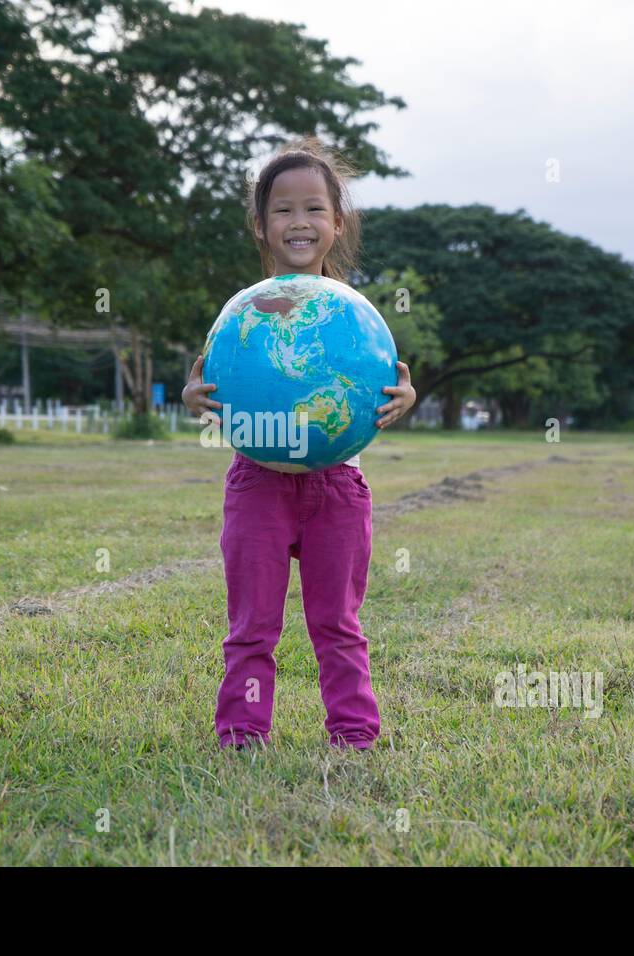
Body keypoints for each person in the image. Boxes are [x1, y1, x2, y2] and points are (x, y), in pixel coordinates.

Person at [181, 137, 417, 751]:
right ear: (260, 225)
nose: (299, 221)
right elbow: (208, 383)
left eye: (314, 208)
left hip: (338, 485)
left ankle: (353, 735)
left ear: (337, 224)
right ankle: (241, 732)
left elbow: (388, 385)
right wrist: (193, 398)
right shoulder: (244, 317)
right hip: (257, 480)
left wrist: (404, 399)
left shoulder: (353, 319)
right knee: (253, 625)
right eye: (282, 209)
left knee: (337, 624)